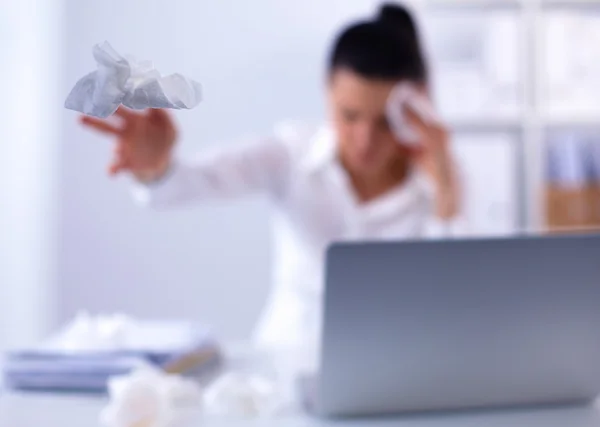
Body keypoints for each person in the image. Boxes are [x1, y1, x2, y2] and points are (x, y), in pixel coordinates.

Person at [79, 3, 463, 365]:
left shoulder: (437, 180)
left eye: (383, 122)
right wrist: (156, 168)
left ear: (416, 106)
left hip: (395, 366)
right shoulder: (291, 153)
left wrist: (445, 185)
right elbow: (194, 182)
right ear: (327, 91)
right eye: (349, 116)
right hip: (286, 365)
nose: (365, 139)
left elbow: (456, 292)